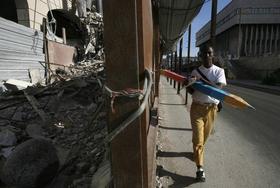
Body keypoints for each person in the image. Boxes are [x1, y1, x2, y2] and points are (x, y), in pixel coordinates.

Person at [188, 45, 226, 182]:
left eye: (209, 53)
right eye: (204, 53)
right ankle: (200, 169)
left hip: (211, 109)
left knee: (204, 138)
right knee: (199, 139)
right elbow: (191, 91)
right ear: (200, 55)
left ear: (213, 55)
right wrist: (189, 84)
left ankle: (196, 152)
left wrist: (200, 81)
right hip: (197, 108)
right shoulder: (195, 71)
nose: (207, 56)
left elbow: (217, 90)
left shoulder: (219, 72)